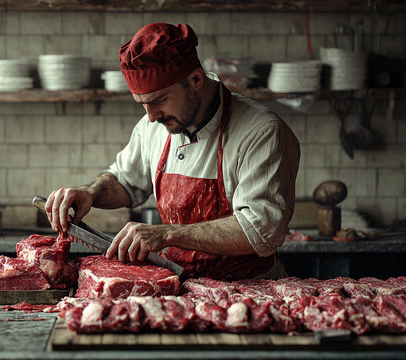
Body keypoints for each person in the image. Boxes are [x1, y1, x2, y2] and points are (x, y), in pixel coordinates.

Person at [44, 23, 300, 280]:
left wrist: (166, 234)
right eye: (142, 104)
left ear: (196, 79)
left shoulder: (262, 131)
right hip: (179, 287)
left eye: (158, 100)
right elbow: (126, 181)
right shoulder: (153, 126)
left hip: (251, 293)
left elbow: (260, 230)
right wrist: (90, 193)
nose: (151, 116)